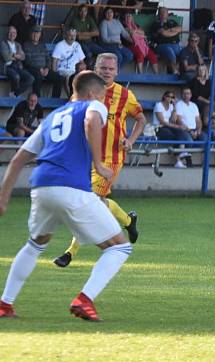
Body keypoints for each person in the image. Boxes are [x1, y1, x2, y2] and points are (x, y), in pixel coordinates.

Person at [0, 71, 132, 321]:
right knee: (120, 247)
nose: (103, 101)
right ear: (93, 93)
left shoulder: (52, 118)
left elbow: (18, 159)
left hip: (41, 187)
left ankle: (5, 304)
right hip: (71, 188)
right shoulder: (93, 105)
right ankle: (85, 300)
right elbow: (92, 120)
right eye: (102, 96)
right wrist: (99, 163)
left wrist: (3, 198)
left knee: (36, 243)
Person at [52, 53, 145, 268]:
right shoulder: (85, 90)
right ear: (95, 68)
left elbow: (140, 118)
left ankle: (70, 252)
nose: (106, 71)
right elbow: (71, 114)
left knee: (88, 201)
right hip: (84, 157)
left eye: (111, 69)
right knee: (96, 203)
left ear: (117, 72)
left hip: (110, 159)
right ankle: (129, 221)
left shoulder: (124, 95)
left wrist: (130, 140)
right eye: (103, 67)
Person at [152, 90, 193, 168]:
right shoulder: (159, 105)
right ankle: (178, 158)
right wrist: (177, 126)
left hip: (168, 126)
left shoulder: (171, 106)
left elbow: (173, 121)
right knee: (174, 136)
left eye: (172, 97)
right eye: (169, 96)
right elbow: (162, 122)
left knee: (181, 132)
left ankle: (181, 154)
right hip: (158, 128)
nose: (170, 98)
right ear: (164, 97)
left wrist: (174, 107)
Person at [23, 26, 62, 98]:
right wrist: (39, 68)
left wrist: (47, 68)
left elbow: (48, 58)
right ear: (30, 34)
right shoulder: (26, 45)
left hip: (44, 69)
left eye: (37, 33)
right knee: (38, 76)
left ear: (40, 35)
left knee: (58, 78)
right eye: (34, 33)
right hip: (31, 68)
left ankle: (54, 99)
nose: (35, 35)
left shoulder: (42, 45)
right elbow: (28, 61)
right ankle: (37, 99)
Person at [1, 26, 34, 97]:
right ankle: (14, 95)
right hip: (6, 66)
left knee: (30, 78)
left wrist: (13, 55)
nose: (12, 34)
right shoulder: (3, 43)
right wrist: (17, 56)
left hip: (17, 66)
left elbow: (23, 57)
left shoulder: (17, 44)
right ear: (7, 33)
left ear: (16, 34)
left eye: (14, 33)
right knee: (16, 77)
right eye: (10, 32)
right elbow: (6, 58)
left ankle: (15, 93)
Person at [150, 7, 182, 75]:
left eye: (164, 12)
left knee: (183, 52)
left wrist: (169, 31)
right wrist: (174, 32)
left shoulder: (172, 22)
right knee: (169, 50)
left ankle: (178, 70)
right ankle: (174, 71)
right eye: (161, 12)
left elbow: (179, 29)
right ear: (158, 14)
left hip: (176, 45)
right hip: (161, 46)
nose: (162, 14)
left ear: (167, 14)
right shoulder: (156, 24)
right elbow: (164, 34)